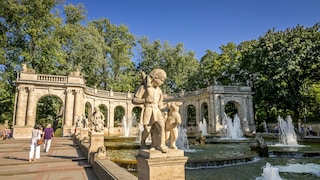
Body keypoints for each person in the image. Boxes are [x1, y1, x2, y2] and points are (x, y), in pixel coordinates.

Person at [132, 69, 168, 153]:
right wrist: (145, 100)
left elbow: (160, 103)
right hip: (148, 109)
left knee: (162, 127)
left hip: (157, 110)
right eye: (161, 80)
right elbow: (134, 100)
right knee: (147, 130)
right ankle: (143, 141)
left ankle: (161, 145)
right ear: (155, 78)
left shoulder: (159, 90)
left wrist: (163, 111)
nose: (162, 83)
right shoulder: (143, 87)